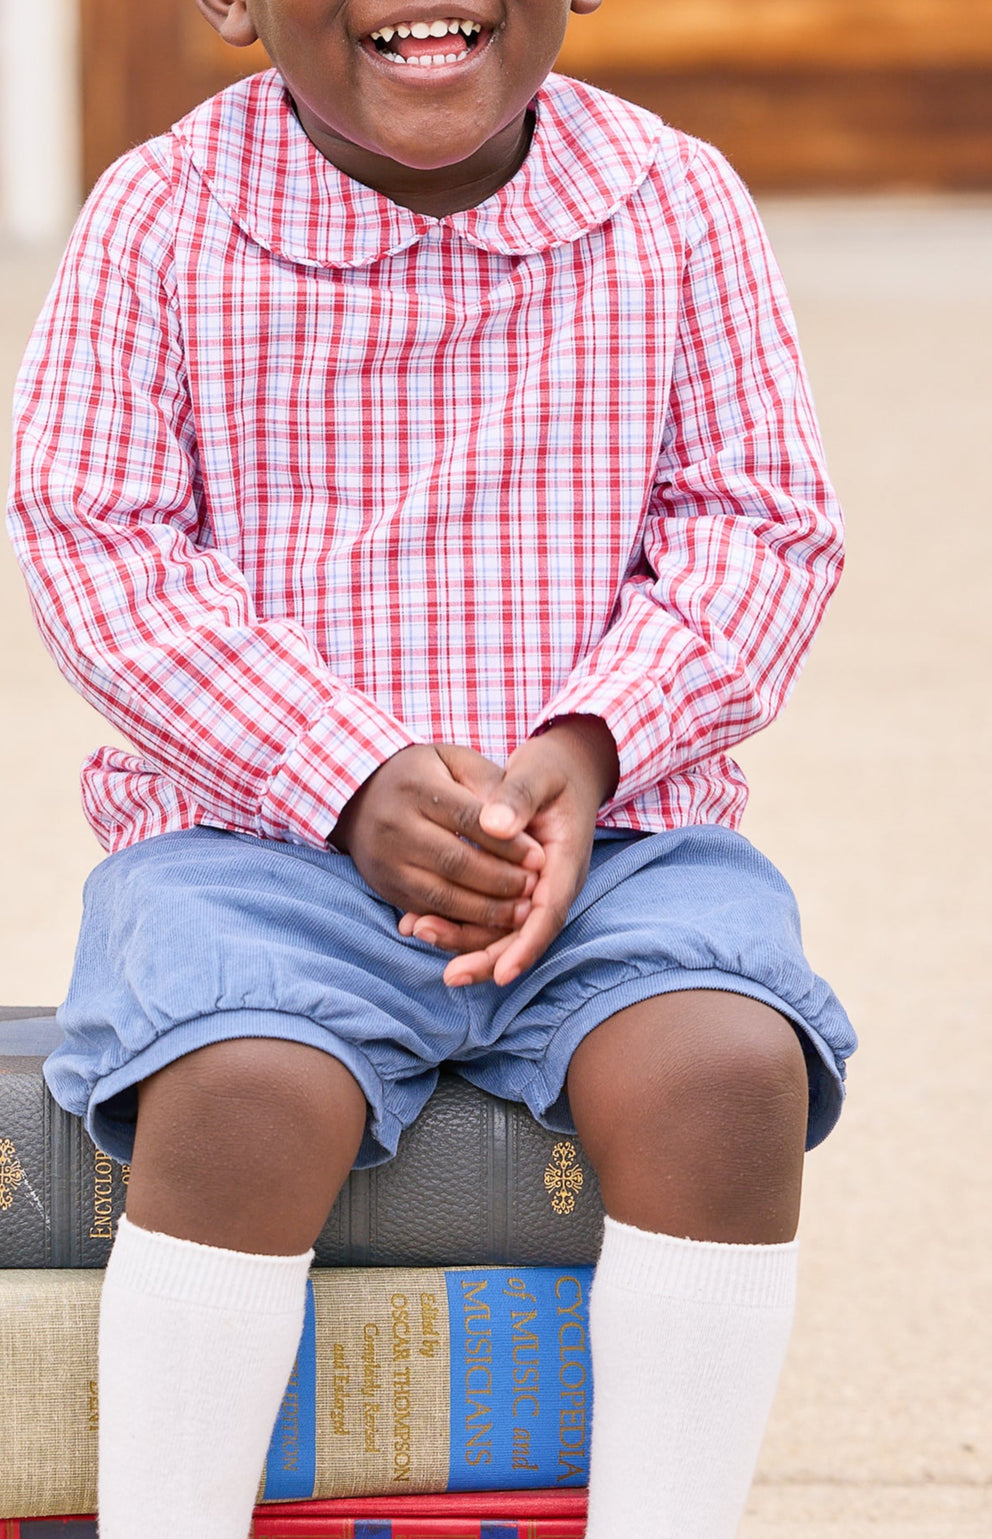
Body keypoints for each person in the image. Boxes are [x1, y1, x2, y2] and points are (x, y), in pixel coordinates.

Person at [6, 2, 857, 1535]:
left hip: (619, 846)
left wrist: (596, 745)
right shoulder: (160, 215)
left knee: (731, 1078)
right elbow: (97, 544)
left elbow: (761, 525)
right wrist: (343, 772)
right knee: (242, 1089)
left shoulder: (674, 202)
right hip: (254, 846)